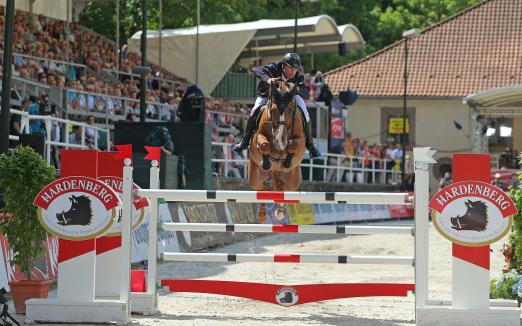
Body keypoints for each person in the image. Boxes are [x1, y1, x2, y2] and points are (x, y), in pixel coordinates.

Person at [232, 53, 321, 158]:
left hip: (288, 98)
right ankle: (244, 141)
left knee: (305, 113)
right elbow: (256, 70)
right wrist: (268, 79)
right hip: (268, 95)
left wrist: (296, 89)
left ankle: (310, 145)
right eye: (291, 68)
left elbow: (306, 94)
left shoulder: (298, 76)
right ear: (283, 66)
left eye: (295, 69)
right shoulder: (274, 67)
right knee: (254, 110)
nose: (293, 71)